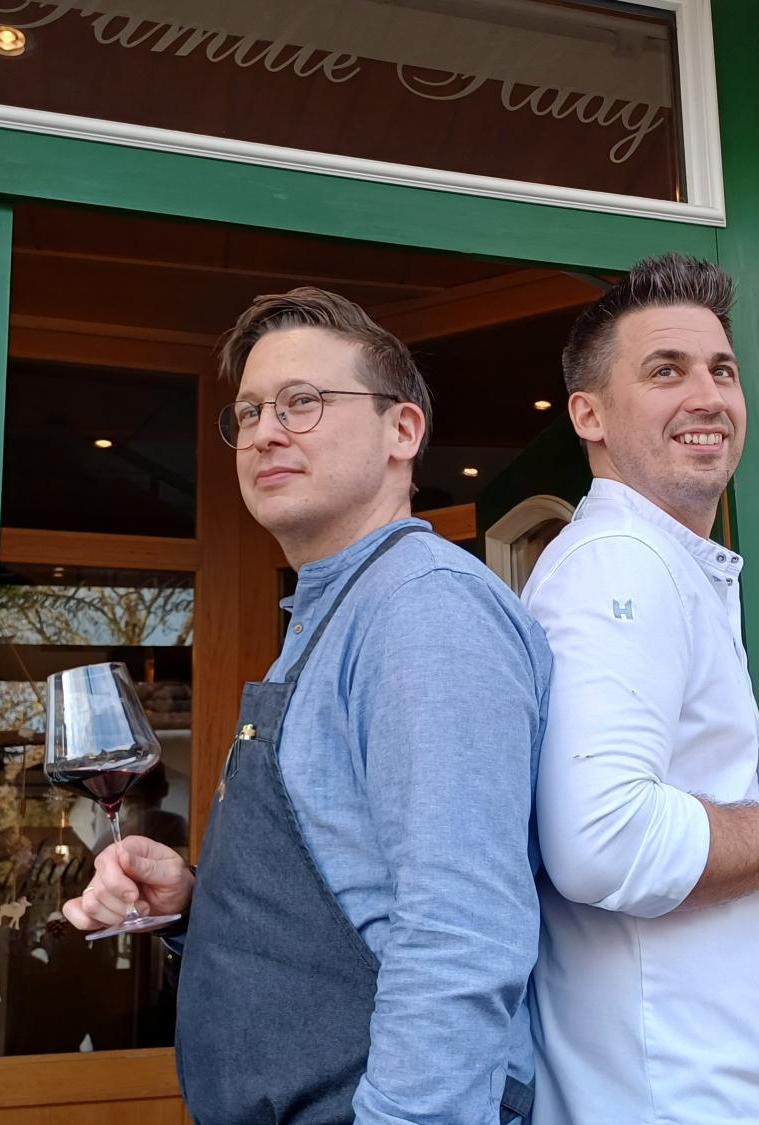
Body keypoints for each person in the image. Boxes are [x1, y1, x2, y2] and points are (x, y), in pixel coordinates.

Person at [63, 287, 549, 1125]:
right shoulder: (334, 610)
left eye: (302, 402)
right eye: (250, 412)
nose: (264, 432)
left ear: (402, 431)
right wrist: (195, 902)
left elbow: (461, 931)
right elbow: (348, 897)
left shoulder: (423, 608)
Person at [523, 254, 759, 1124]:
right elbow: (601, 840)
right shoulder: (619, 562)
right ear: (588, 414)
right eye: (666, 371)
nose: (708, 396)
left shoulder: (669, 563)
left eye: (722, 371)